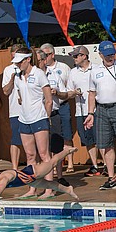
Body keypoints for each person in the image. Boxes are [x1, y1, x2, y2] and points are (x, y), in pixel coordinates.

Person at [83, 41, 116, 191]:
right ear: (100, 55)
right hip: (101, 110)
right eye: (107, 55)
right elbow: (92, 94)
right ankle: (112, 178)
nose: (110, 57)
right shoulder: (94, 71)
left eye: (112, 54)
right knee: (106, 145)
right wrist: (90, 113)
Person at [6, 48, 54, 199]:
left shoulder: (39, 74)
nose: (17, 65)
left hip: (39, 118)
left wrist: (46, 117)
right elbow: (10, 93)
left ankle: (49, 189)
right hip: (24, 119)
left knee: (44, 154)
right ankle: (32, 188)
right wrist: (13, 78)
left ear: (27, 60)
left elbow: (48, 99)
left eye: (19, 62)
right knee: (30, 155)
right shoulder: (18, 77)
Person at [67, 45, 104, 177]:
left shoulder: (98, 68)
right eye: (73, 56)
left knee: (101, 139)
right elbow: (68, 92)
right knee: (88, 140)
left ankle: (105, 165)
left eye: (76, 56)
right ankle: (95, 166)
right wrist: (74, 93)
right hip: (80, 111)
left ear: (84, 56)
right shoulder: (73, 72)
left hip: (97, 110)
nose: (74, 58)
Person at [36, 49, 70, 186]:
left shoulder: (55, 75)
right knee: (41, 150)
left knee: (56, 147)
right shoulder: (29, 76)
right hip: (37, 116)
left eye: (38, 61)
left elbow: (65, 95)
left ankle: (60, 176)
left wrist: (57, 93)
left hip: (54, 114)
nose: (36, 63)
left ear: (44, 61)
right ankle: (41, 177)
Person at [40, 43, 75, 173]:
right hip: (44, 109)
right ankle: (51, 167)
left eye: (46, 55)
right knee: (47, 138)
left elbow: (68, 88)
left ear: (52, 54)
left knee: (66, 134)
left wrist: (58, 92)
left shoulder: (63, 68)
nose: (45, 58)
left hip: (62, 104)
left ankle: (70, 163)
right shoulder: (37, 73)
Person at [2, 44, 25, 169]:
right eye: (14, 53)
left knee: (31, 139)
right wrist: (12, 79)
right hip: (15, 111)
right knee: (15, 140)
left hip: (29, 111)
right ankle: (15, 168)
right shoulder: (8, 70)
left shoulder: (28, 68)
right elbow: (5, 91)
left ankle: (35, 166)